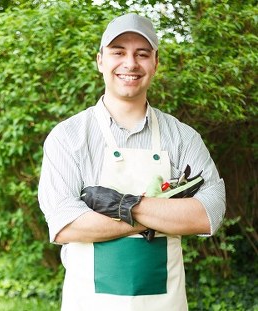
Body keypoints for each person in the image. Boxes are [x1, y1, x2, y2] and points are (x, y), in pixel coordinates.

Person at [37, 13, 226, 310]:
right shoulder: (68, 137)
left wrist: (127, 206)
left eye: (142, 54)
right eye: (118, 52)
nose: (130, 63)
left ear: (155, 63)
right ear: (100, 60)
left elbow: (208, 213)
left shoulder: (182, 138)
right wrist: (158, 217)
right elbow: (65, 224)